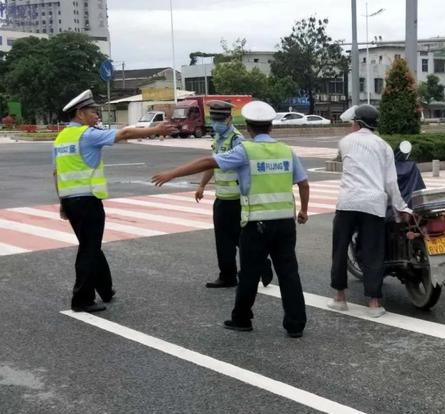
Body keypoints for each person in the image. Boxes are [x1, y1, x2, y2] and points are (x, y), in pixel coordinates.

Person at [152, 101, 309, 337]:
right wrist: (303, 211)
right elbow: (303, 183)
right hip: (285, 223)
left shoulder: (246, 150)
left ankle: (242, 318)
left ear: (248, 127)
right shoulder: (287, 150)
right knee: (289, 273)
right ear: (271, 127)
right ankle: (296, 324)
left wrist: (172, 173)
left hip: (257, 224)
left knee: (248, 273)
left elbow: (209, 162)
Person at [54, 89, 176, 313]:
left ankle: (106, 290)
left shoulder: (61, 138)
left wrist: (62, 202)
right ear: (80, 113)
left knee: (91, 246)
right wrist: (155, 129)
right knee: (89, 249)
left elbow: (56, 173)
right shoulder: (87, 134)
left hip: (71, 201)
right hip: (87, 200)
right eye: (92, 111)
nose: (96, 115)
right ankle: (81, 299)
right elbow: (123, 134)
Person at [328, 104, 411, 318]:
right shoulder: (383, 146)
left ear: (358, 123)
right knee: (374, 253)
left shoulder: (345, 142)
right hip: (373, 204)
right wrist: (401, 208)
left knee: (340, 248)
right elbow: (391, 182)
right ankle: (373, 303)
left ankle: (340, 298)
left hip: (348, 202)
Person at [186, 101, 273, 288]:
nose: (216, 123)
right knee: (223, 240)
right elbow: (213, 163)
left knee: (240, 239)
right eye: (214, 119)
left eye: (220, 119)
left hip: (237, 200)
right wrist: (202, 185)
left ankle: (262, 264)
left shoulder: (237, 140)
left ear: (229, 119)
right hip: (221, 198)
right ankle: (227, 276)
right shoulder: (217, 138)